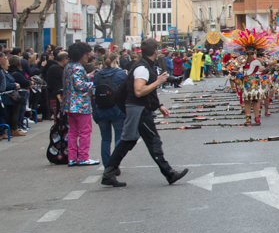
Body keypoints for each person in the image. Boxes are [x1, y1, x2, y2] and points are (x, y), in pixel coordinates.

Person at [101, 38, 188, 188]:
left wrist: (159, 105)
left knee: (128, 140)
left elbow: (148, 91)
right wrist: (158, 82)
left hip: (139, 108)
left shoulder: (145, 65)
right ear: (155, 51)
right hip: (139, 109)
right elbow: (139, 91)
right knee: (152, 140)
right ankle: (169, 173)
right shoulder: (142, 68)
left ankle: (108, 173)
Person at [62, 42, 98, 166]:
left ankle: (72, 158)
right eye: (87, 54)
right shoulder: (78, 68)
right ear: (81, 54)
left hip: (69, 105)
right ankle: (83, 157)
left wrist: (88, 76)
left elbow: (74, 81)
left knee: (72, 132)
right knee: (85, 132)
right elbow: (79, 85)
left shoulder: (69, 67)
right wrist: (93, 84)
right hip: (81, 105)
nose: (88, 56)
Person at [92, 53, 128, 166]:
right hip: (117, 110)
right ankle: (115, 164)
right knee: (119, 138)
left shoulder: (97, 75)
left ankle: (107, 165)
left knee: (106, 139)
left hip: (101, 109)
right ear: (115, 60)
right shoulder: (121, 74)